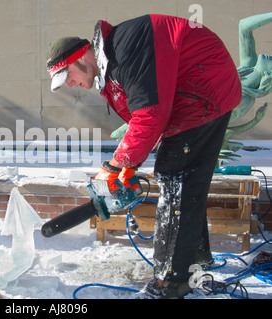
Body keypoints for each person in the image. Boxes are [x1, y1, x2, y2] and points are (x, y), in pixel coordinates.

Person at [46, 14, 242, 298]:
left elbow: (150, 116)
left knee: (176, 175)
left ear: (80, 60)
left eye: (68, 77)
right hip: (194, 96)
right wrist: (128, 167)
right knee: (183, 179)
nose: (71, 85)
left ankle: (170, 282)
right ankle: (196, 257)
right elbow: (146, 119)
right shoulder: (109, 72)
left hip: (205, 88)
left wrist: (115, 166)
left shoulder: (126, 49)